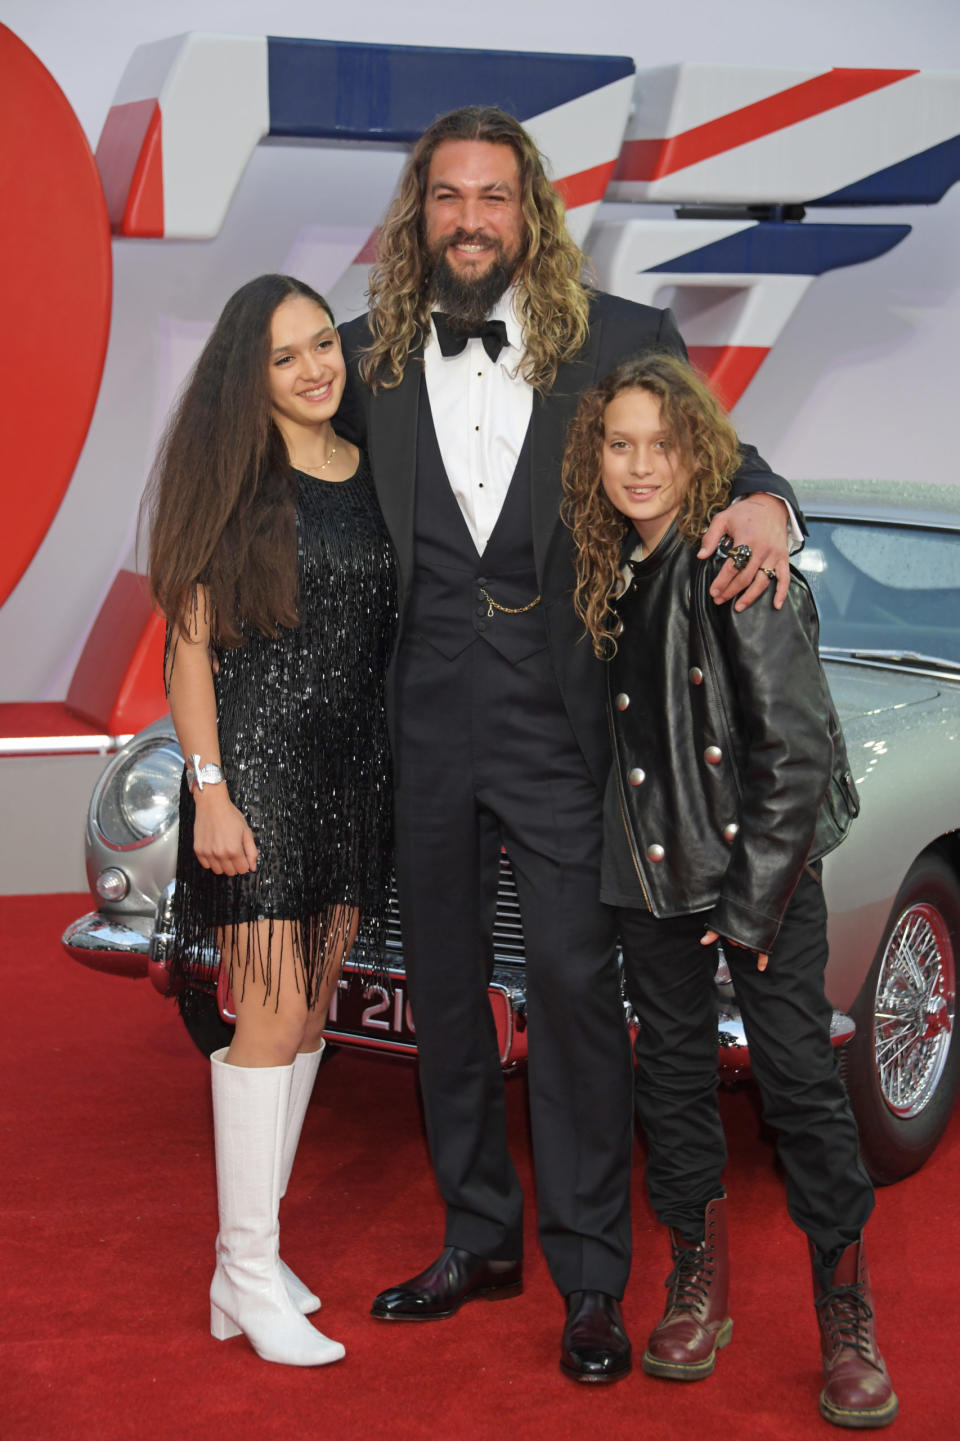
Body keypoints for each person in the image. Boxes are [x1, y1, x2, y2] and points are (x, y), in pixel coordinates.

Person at [334, 105, 799, 1383]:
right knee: (443, 993)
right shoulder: (358, 357)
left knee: (579, 1001)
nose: (470, 219)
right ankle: (477, 1234)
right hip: (419, 719)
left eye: (493, 196)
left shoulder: (626, 340)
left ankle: (592, 1277)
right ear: (417, 214)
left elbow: (724, 457)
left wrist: (764, 497)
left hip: (562, 726)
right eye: (447, 197)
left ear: (529, 208)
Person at [562, 352, 897, 1427]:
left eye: (663, 443)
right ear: (595, 455)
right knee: (669, 1080)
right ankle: (696, 1281)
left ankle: (846, 1310)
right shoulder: (601, 563)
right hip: (648, 872)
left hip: (758, 871)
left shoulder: (739, 563)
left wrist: (746, 915)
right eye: (621, 444)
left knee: (798, 1079)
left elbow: (793, 759)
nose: (642, 463)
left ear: (700, 450)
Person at [144, 274, 397, 1367]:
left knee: (306, 1020)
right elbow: (186, 643)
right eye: (286, 356)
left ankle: (241, 1262)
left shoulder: (371, 471)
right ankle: (248, 1271)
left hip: (356, 773)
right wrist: (209, 789)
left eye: (321, 346)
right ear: (252, 376)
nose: (314, 368)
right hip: (260, 772)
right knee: (269, 1017)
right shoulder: (237, 481)